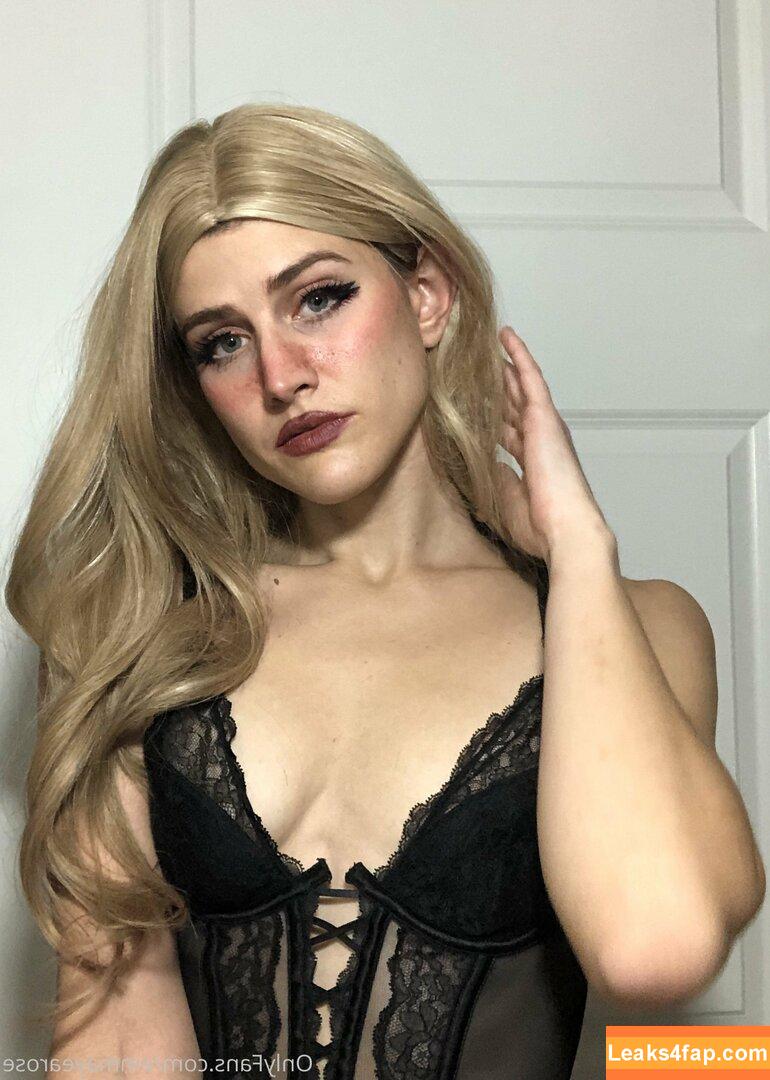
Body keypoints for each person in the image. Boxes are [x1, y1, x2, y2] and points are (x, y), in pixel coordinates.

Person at [6, 102, 764, 1080]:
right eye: (222, 342)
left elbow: (653, 948)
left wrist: (577, 548)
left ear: (427, 295)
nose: (282, 375)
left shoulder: (636, 625)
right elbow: (116, 1044)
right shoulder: (142, 634)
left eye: (318, 298)